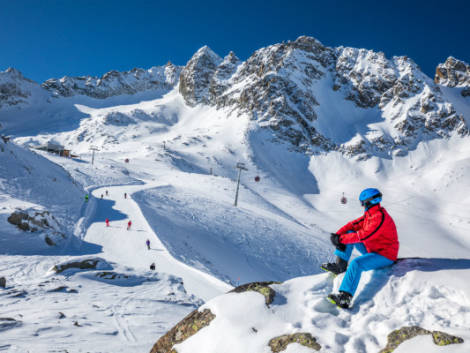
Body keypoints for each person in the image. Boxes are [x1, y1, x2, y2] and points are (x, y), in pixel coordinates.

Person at [321, 188, 399, 309]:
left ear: (367, 202)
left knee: (357, 263)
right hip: (373, 250)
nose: (362, 205)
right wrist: (338, 235)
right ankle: (340, 266)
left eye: (362, 202)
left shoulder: (379, 217)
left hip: (385, 255)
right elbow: (353, 225)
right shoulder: (370, 214)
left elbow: (364, 236)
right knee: (350, 233)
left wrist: (341, 239)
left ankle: (345, 298)